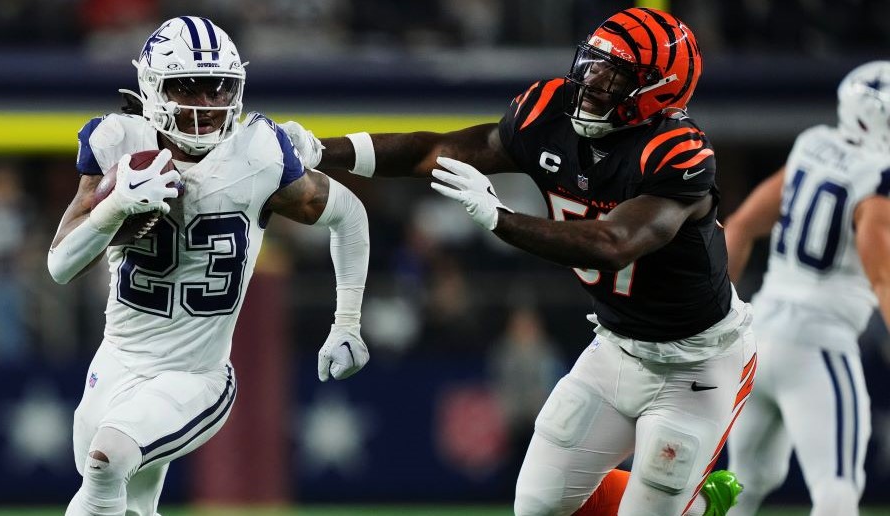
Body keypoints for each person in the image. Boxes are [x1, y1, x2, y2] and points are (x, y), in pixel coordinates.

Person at [283, 7, 750, 516]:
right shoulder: (549, 111)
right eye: (592, 64)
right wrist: (319, 150)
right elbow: (434, 150)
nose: (591, 82)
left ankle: (699, 506)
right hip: (617, 346)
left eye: (614, 75)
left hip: (697, 363)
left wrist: (499, 219)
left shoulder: (678, 152)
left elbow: (615, 242)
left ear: (658, 91)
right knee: (538, 505)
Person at [47, 17, 372, 516]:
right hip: (115, 362)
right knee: (130, 505)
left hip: (195, 375)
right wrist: (116, 208)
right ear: (153, 88)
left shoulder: (259, 154)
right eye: (187, 87)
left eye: (219, 88)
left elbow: (348, 213)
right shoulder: (118, 143)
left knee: (106, 461)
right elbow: (60, 265)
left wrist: (347, 321)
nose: (205, 104)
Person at [722, 61, 890, 516]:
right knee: (837, 489)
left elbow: (738, 226)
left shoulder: (812, 144)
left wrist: (708, 321)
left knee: (741, 485)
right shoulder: (876, 179)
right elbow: (883, 278)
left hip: (758, 338)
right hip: (819, 343)